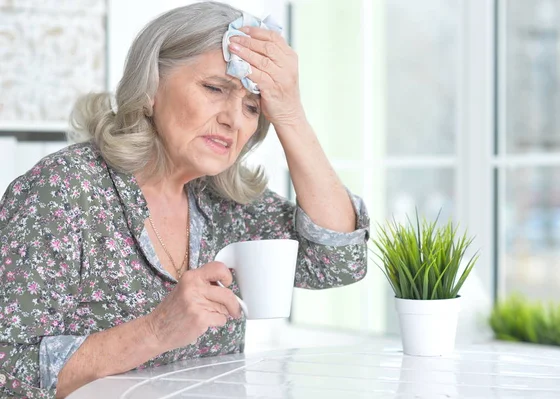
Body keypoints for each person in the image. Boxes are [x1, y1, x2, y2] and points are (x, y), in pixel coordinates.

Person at [0, 2, 369, 398]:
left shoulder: (226, 200)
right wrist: (157, 329)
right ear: (151, 88)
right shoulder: (65, 190)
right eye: (214, 88)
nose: (234, 119)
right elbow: (8, 369)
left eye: (251, 107)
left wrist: (291, 114)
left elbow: (338, 262)